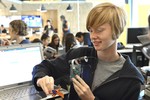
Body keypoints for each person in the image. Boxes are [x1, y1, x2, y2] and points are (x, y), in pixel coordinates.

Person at [32, 2, 144, 100]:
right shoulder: (79, 54)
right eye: (91, 30)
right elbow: (43, 66)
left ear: (117, 30)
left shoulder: (132, 79)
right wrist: (41, 78)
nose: (93, 36)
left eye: (99, 30)